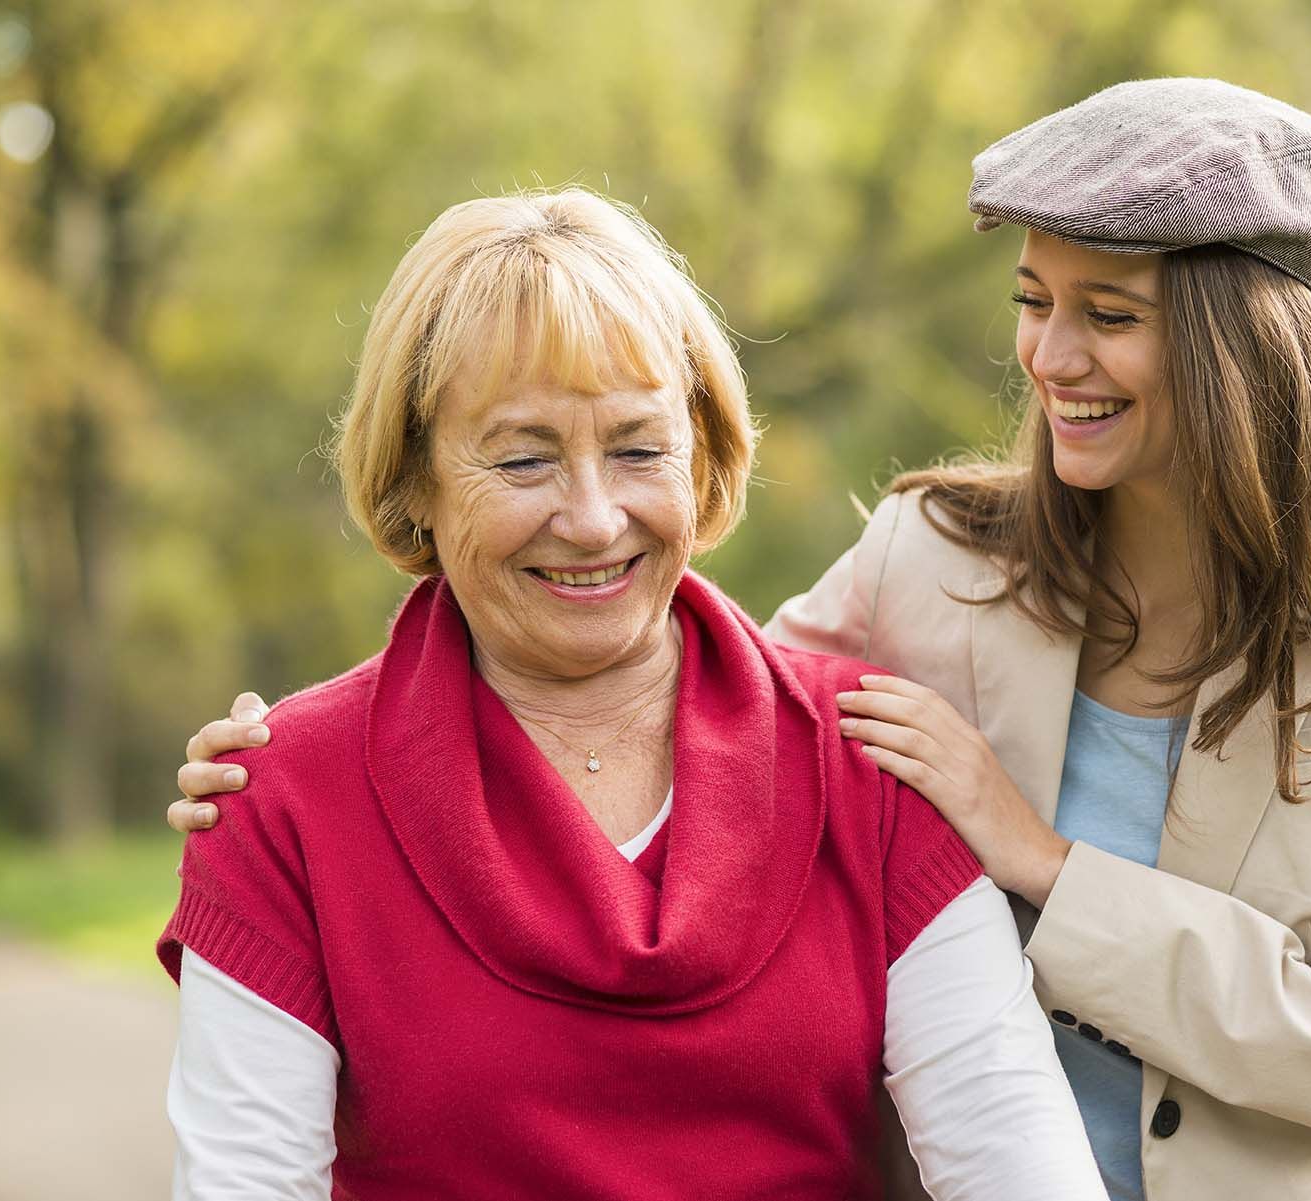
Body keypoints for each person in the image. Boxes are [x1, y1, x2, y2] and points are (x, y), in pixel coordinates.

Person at [171, 79, 1311, 1201]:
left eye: (1106, 316)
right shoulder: (939, 562)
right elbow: (668, 708)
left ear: (1248, 353)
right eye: (1032, 300)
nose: (1047, 356)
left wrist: (1044, 865)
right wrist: (306, 773)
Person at [154, 187, 1104, 1200]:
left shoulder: (872, 757)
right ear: (416, 478)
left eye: (639, 448)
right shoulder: (285, 799)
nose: (596, 518)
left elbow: (1013, 1158)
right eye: (523, 458)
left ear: (702, 459)